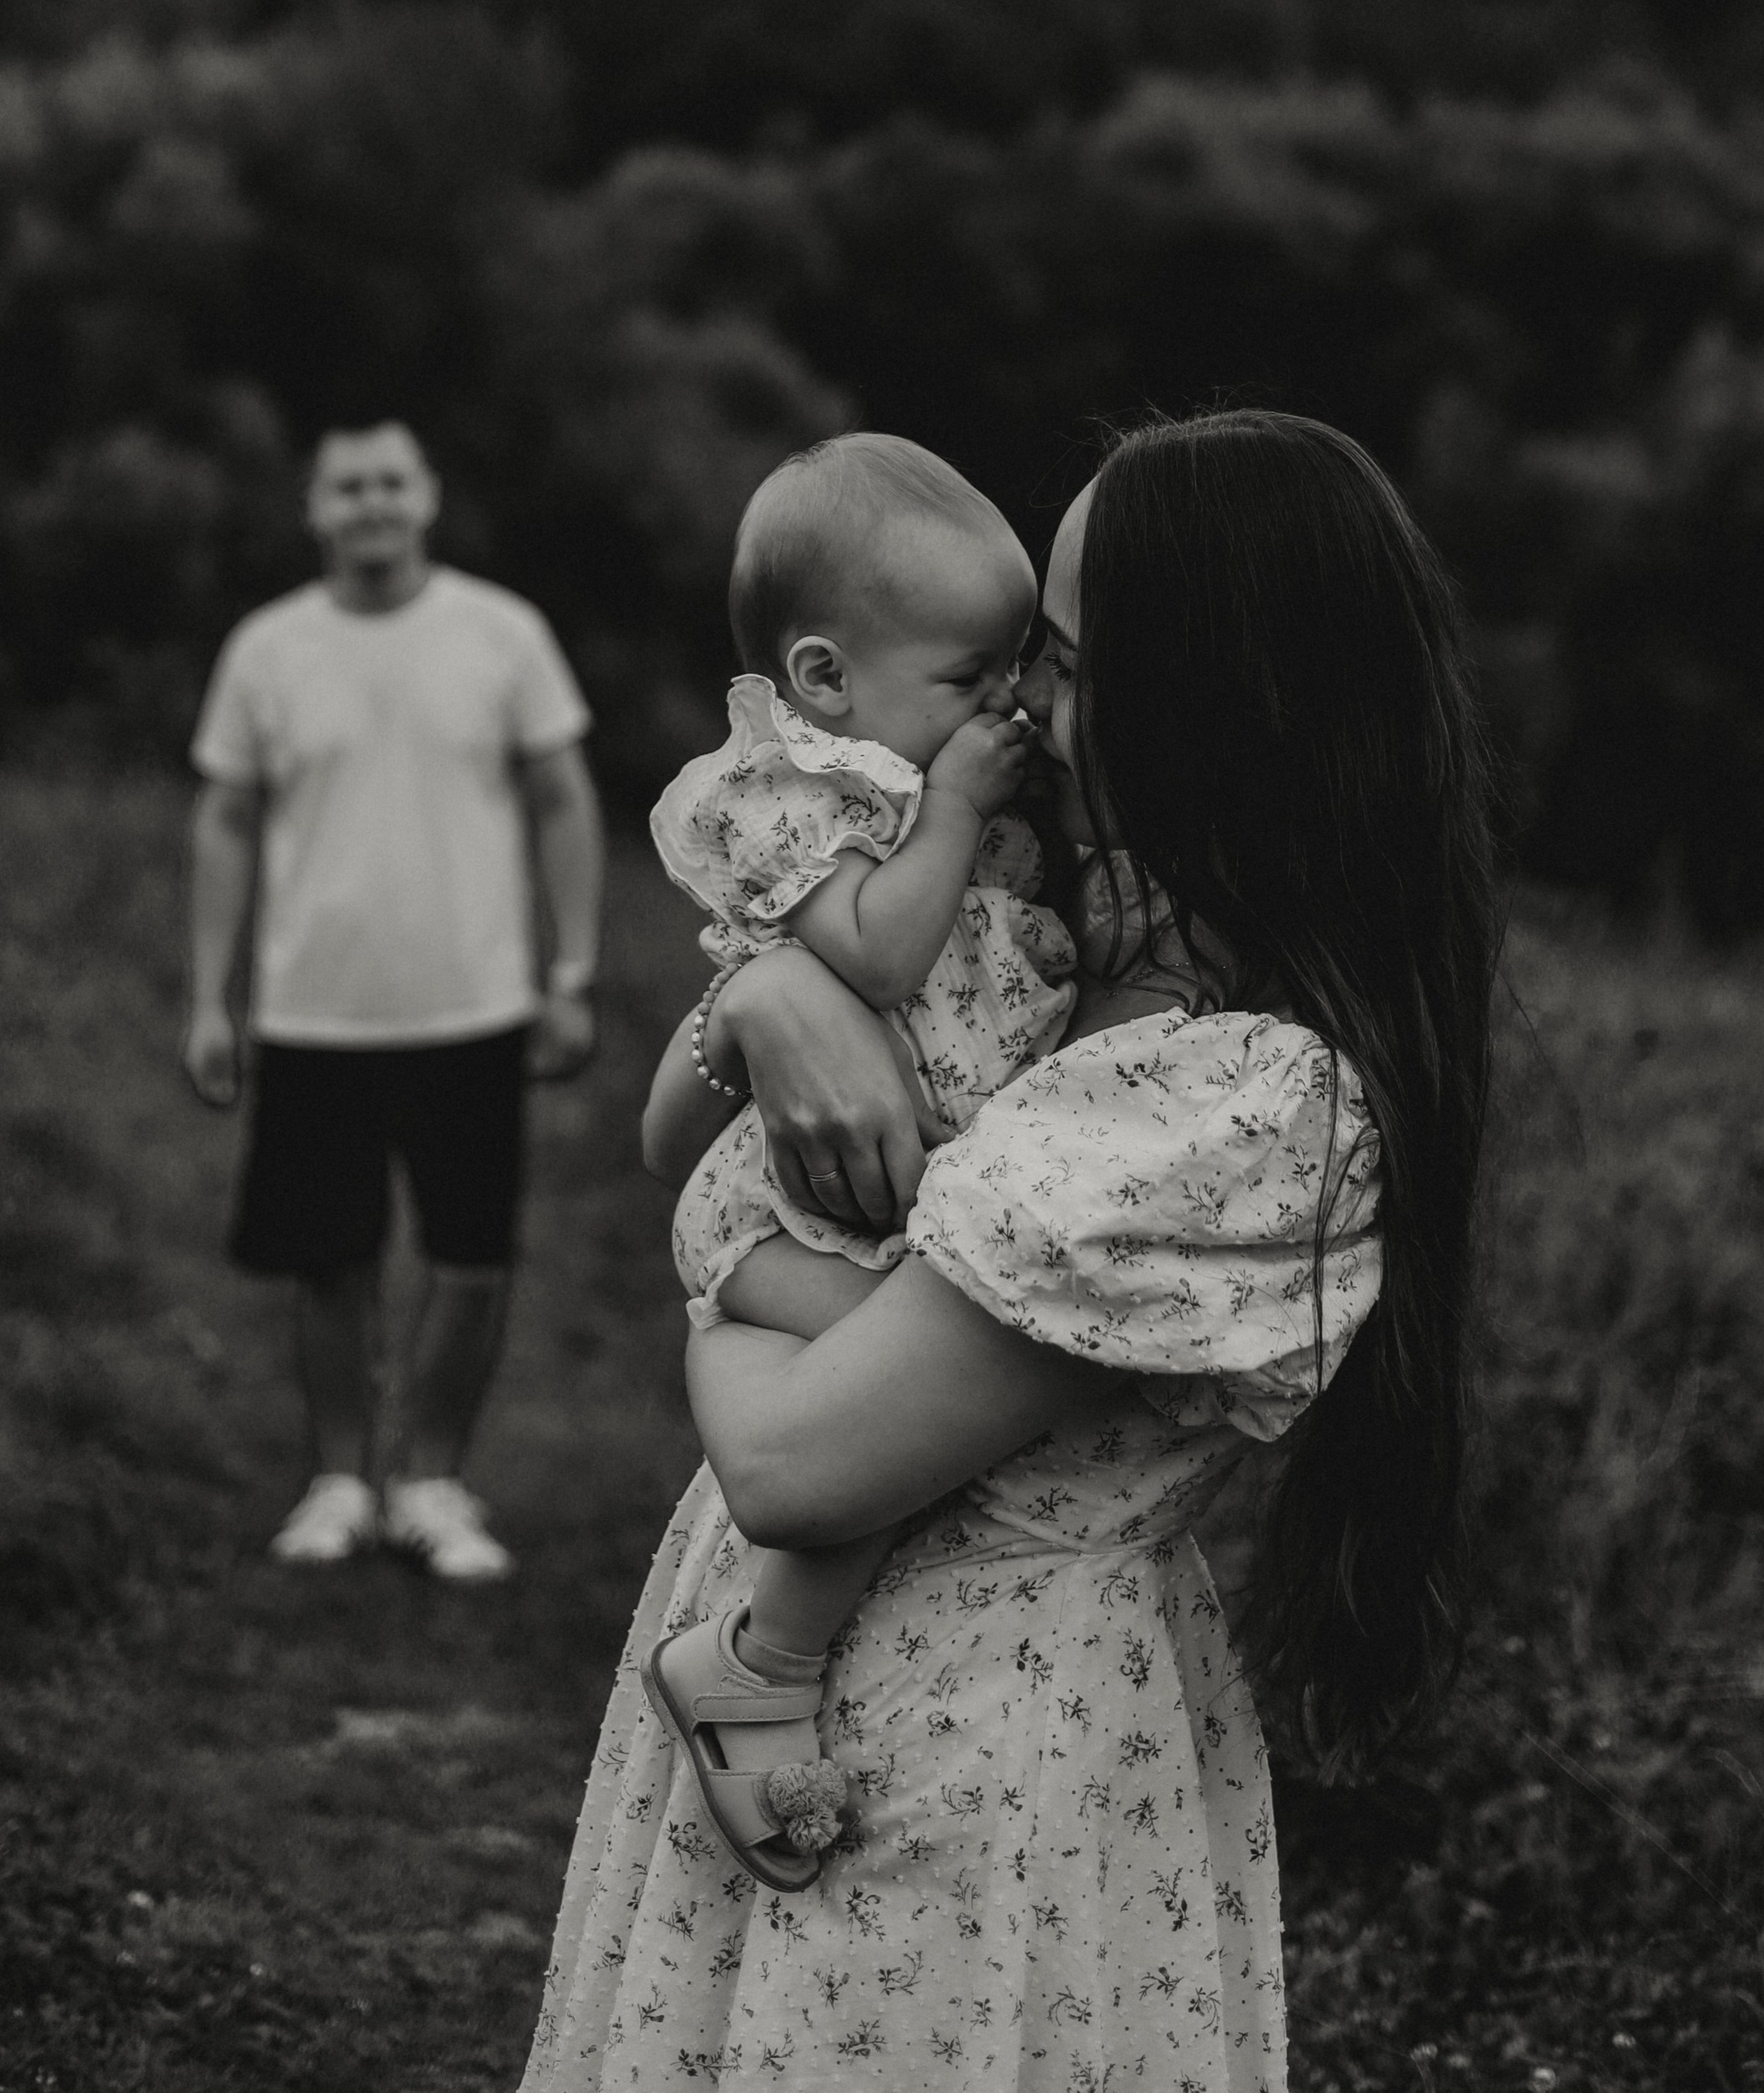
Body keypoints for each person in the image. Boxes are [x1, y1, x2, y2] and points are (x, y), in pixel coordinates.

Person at [519, 409, 1498, 2091]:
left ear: (1210, 705)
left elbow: (795, 1466)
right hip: (822, 1684)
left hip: (967, 1744)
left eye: (1054, 658)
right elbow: (667, 1139)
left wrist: (720, 1282)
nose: (1017, 708)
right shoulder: (1069, 926)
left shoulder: (1249, 1093)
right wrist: (761, 996)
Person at [639, 433, 1080, 1873]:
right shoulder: (798, 803)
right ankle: (766, 1660)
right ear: (826, 677)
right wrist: (956, 806)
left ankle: (766, 1649)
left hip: (866, 1207)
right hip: (794, 1214)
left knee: (895, 1408)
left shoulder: (914, 789)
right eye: (972, 677)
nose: (1004, 706)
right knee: (885, 1412)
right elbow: (883, 965)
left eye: (1018, 668)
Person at [183, 420, 604, 1584]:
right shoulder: (268, 649)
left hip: (473, 1004)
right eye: (347, 486)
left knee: (471, 1257)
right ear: (315, 509)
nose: (371, 503)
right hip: (312, 1008)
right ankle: (337, 1483)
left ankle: (431, 1483)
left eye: (391, 482)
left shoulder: (501, 633)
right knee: (330, 1257)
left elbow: (563, 799)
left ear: (427, 497)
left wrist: (569, 974)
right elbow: (222, 821)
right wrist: (210, 1001)